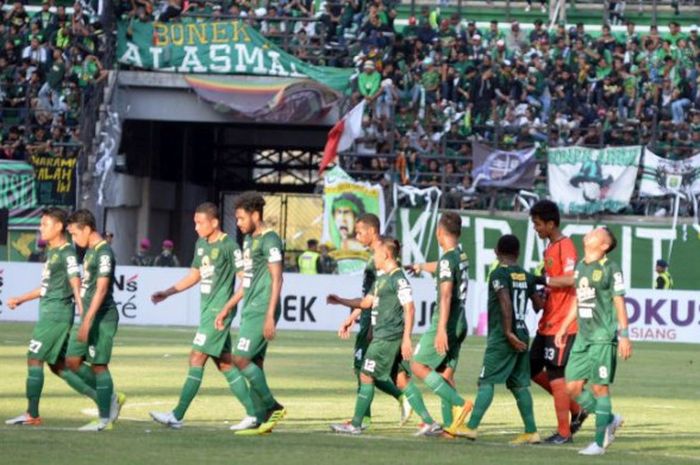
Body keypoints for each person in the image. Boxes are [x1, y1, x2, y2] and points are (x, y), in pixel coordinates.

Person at [328, 237, 443, 436]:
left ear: (387, 255)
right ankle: (429, 422)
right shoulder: (381, 279)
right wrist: (341, 301)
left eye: (376, 254)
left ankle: (356, 424)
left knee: (365, 374)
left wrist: (407, 338)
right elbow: (365, 303)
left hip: (387, 337)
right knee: (401, 380)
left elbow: (410, 307)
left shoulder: (398, 279)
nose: (374, 257)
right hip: (386, 336)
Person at [149, 203, 249, 430]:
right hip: (207, 312)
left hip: (217, 313)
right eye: (195, 222)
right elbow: (194, 275)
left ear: (214, 223)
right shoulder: (201, 244)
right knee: (225, 364)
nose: (195, 227)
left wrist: (227, 307)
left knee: (196, 357)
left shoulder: (230, 247)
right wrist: (168, 292)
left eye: (199, 223)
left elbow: (246, 281)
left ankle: (176, 415)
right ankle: (254, 412)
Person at [214, 192, 286, 435]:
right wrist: (228, 306)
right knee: (254, 363)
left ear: (256, 215)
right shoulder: (248, 241)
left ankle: (271, 407)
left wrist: (269, 315)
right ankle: (258, 418)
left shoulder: (270, 240)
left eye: (241, 218)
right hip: (250, 306)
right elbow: (247, 283)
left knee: (240, 359)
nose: (238, 223)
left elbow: (277, 278)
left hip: (262, 308)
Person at [555, 227, 631, 456]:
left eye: (596, 232)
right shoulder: (580, 267)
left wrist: (624, 334)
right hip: (582, 336)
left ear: (604, 245)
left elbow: (619, 302)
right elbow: (578, 300)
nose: (589, 233)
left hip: (602, 337)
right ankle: (609, 418)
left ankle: (599, 444)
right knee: (572, 386)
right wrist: (564, 326)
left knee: (599, 387)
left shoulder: (611, 268)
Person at [4, 208, 83, 426]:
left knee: (34, 357)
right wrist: (21, 298)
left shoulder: (67, 252)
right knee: (60, 366)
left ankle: (32, 414)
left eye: (45, 224)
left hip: (56, 315)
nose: (41, 228)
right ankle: (106, 398)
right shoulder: (54, 252)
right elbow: (47, 288)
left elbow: (76, 280)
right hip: (51, 312)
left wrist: (83, 311)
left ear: (59, 227)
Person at [462, 234, 542, 444]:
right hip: (524, 332)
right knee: (519, 384)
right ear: (518, 253)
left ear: (497, 252)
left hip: (504, 336)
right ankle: (531, 431)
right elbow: (539, 305)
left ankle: (471, 427)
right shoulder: (526, 275)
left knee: (486, 381)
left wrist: (508, 332)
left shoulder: (499, 273)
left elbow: (505, 301)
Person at [336, 214, 412, 429]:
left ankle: (392, 404)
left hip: (377, 324)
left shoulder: (379, 259)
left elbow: (380, 297)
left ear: (371, 231)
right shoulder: (375, 257)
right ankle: (364, 417)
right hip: (369, 319)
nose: (357, 236)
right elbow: (369, 295)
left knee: (366, 368)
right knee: (366, 368)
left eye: (359, 232)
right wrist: (352, 317)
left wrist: (370, 325)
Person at [406, 212, 474, 436]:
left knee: (417, 365)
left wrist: (441, 330)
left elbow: (445, 295)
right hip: (461, 320)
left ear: (439, 232)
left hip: (446, 320)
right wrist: (421, 267)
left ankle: (460, 404)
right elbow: (444, 267)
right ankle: (450, 427)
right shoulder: (460, 255)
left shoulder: (448, 258)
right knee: (445, 373)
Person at [529, 200, 587, 444]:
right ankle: (576, 407)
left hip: (563, 322)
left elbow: (571, 280)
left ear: (551, 224)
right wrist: (539, 293)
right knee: (530, 368)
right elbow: (553, 282)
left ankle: (564, 432)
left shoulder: (566, 246)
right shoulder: (549, 248)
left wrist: (541, 280)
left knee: (556, 374)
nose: (536, 228)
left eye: (539, 224)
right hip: (548, 320)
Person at [64, 209, 125, 432]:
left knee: (99, 366)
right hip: (89, 316)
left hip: (102, 318)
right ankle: (109, 397)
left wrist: (88, 319)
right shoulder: (90, 251)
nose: (73, 239)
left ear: (87, 229)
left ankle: (103, 420)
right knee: (72, 360)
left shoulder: (104, 253)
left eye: (74, 234)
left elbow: (101, 290)